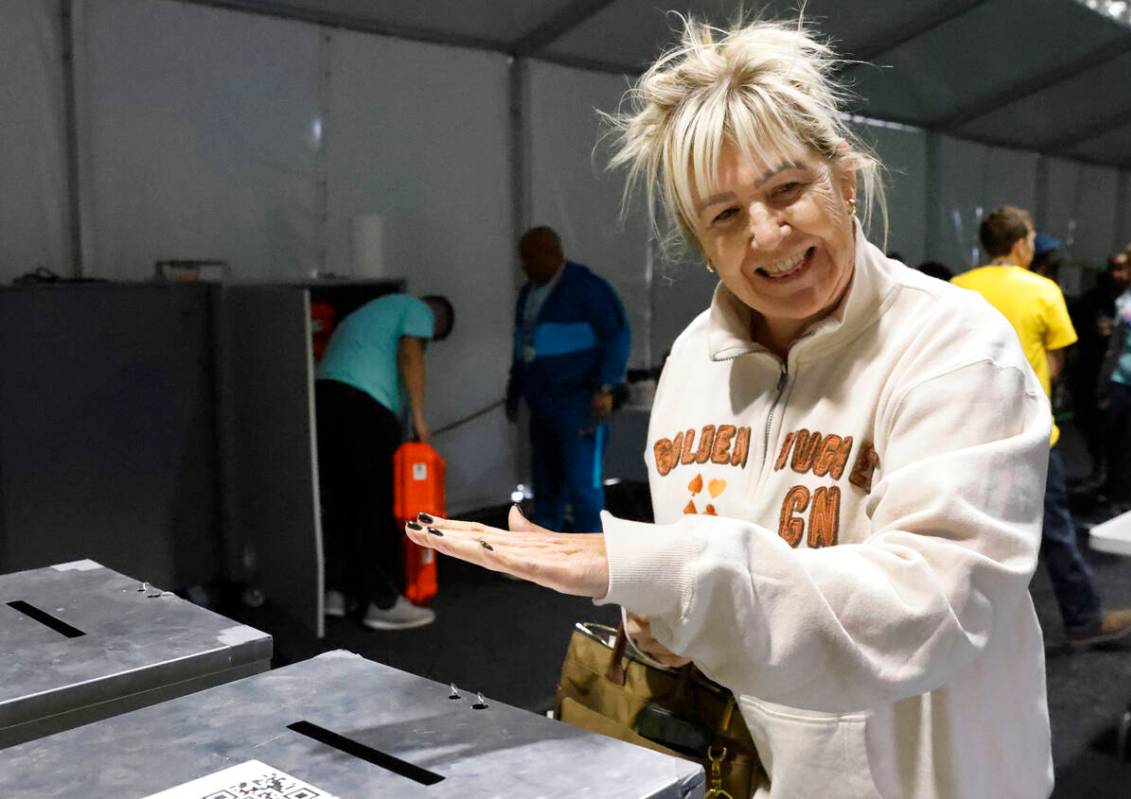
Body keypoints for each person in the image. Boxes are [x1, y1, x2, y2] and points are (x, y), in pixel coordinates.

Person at [411, 17, 1059, 797]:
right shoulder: (695, 361)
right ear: (702, 242)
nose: (766, 232)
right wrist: (659, 619)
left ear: (844, 180)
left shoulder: (956, 347)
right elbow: (703, 578)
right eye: (724, 215)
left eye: (787, 189)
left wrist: (662, 571)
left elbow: (935, 604)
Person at [952, 208, 1131, 647]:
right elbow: (1055, 361)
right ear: (1020, 244)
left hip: (970, 432)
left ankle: (961, 626)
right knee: (1054, 529)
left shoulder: (958, 287)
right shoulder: (1043, 290)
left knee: (968, 531)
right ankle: (1083, 618)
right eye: (1031, 238)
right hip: (1030, 432)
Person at [315, 292, 454, 630]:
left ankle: (336, 592)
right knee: (375, 505)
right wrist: (419, 420)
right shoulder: (418, 310)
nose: (427, 343)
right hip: (366, 410)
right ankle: (384, 602)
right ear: (436, 320)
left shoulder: (370, 314)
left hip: (324, 401)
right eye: (432, 338)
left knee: (340, 503)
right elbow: (410, 356)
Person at [506, 226, 630, 532]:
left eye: (530, 259)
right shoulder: (527, 293)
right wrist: (514, 391)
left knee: (582, 485)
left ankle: (594, 556)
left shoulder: (586, 288)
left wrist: (606, 386)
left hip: (580, 404)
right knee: (546, 484)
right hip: (542, 405)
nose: (524, 267)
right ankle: (549, 558)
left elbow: (617, 337)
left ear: (553, 254)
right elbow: (521, 345)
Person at [1071, 249, 1131, 488]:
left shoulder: (1129, 300)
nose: (1119, 274)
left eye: (1123, 268)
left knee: (1122, 434)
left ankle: (1116, 482)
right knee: (1090, 424)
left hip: (1124, 378)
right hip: (1092, 372)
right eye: (1114, 268)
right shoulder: (1091, 300)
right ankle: (1100, 471)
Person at [1102, 243, 1131, 515]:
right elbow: (1115, 345)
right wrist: (1104, 381)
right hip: (1121, 380)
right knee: (1119, 441)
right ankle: (1119, 496)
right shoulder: (1125, 298)